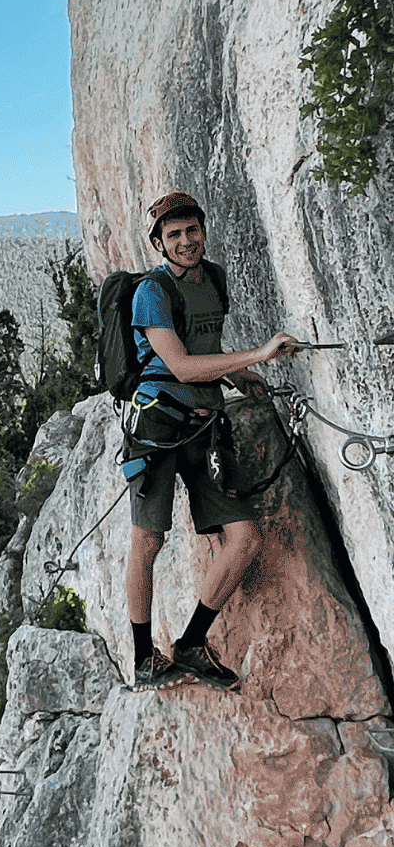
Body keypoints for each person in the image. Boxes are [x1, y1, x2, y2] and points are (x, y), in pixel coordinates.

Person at [127, 191, 299, 689]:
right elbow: (180, 365)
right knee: (148, 540)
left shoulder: (214, 279)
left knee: (244, 539)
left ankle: (190, 644)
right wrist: (257, 356)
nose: (185, 241)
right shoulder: (151, 292)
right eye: (173, 235)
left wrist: (238, 377)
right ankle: (143, 657)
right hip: (157, 428)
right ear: (159, 243)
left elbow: (205, 346)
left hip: (204, 426)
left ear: (203, 231)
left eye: (192, 230)